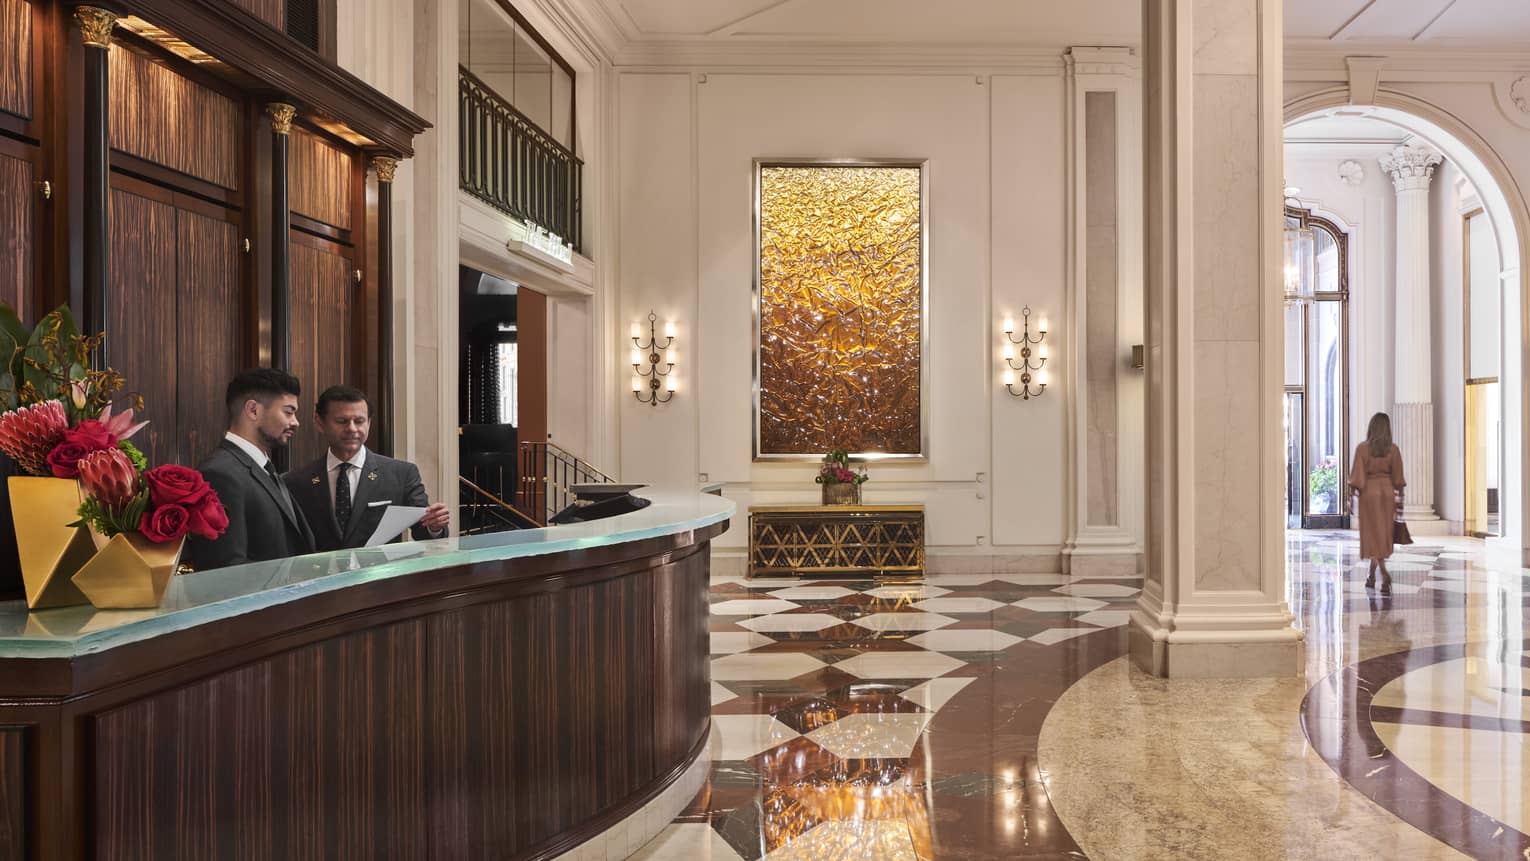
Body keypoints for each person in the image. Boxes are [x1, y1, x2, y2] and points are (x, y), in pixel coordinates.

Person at [284, 385, 450, 552]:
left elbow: (424, 533)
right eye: (341, 421)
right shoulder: (295, 481)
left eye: (359, 421)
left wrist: (435, 527)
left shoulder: (401, 474)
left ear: (369, 423)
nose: (352, 429)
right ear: (320, 423)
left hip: (379, 575)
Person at [184, 369, 316, 570]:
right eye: (288, 412)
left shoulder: (264, 467)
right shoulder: (219, 474)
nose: (295, 422)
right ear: (253, 410)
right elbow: (226, 567)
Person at [1349, 412, 1406, 594]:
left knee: (1372, 536)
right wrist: (1400, 502)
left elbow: (1356, 477)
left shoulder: (1362, 449)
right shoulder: (1393, 450)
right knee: (1382, 535)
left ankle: (1381, 572)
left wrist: (1351, 497)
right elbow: (1398, 479)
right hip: (1387, 494)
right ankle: (1372, 574)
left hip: (1369, 494)